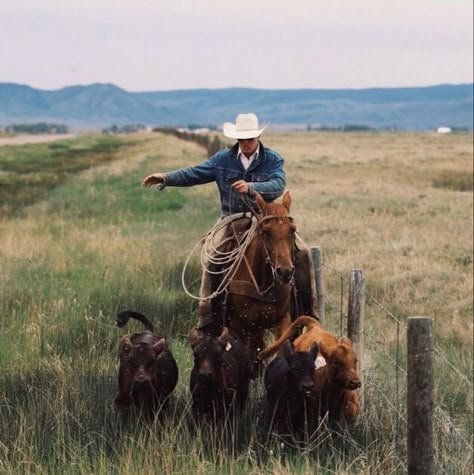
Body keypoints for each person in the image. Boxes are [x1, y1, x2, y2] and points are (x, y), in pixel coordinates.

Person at [142, 113, 318, 334]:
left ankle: (309, 313)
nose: (245, 144)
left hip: (264, 219)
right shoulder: (222, 159)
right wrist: (166, 177)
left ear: (257, 137)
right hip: (231, 218)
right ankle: (207, 314)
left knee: (302, 253)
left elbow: (278, 184)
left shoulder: (273, 159)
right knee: (212, 254)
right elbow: (195, 173)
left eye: (250, 139)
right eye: (241, 140)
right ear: (236, 139)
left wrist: (253, 188)